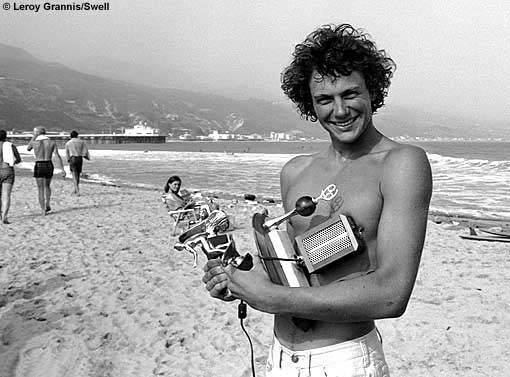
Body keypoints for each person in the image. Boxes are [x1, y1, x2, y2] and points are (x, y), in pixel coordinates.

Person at [202, 23, 432, 376]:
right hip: (279, 358)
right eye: (325, 99)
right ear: (309, 105)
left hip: (344, 359)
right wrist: (238, 280)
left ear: (373, 91)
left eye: (350, 94)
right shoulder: (295, 172)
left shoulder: (401, 164)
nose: (339, 111)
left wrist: (270, 299)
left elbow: (392, 293)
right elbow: (296, 266)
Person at [27, 127, 66, 215]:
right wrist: (62, 169)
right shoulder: (52, 142)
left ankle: (43, 210)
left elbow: (28, 148)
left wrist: (34, 136)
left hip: (39, 164)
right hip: (48, 164)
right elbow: (57, 156)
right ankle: (47, 203)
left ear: (37, 133)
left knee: (40, 188)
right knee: (47, 186)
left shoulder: (34, 142)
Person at [0, 130, 22, 224]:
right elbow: (18, 159)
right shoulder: (10, 145)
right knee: (6, 195)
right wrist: (13, 162)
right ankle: (4, 216)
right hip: (7, 169)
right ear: (6, 136)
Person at [65, 130, 90, 196]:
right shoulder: (82, 142)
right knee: (78, 175)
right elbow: (85, 151)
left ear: (70, 136)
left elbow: (67, 153)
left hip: (72, 158)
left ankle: (77, 190)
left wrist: (68, 160)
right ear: (77, 135)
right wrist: (87, 157)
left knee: (74, 175)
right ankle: (75, 189)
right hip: (79, 158)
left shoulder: (68, 143)